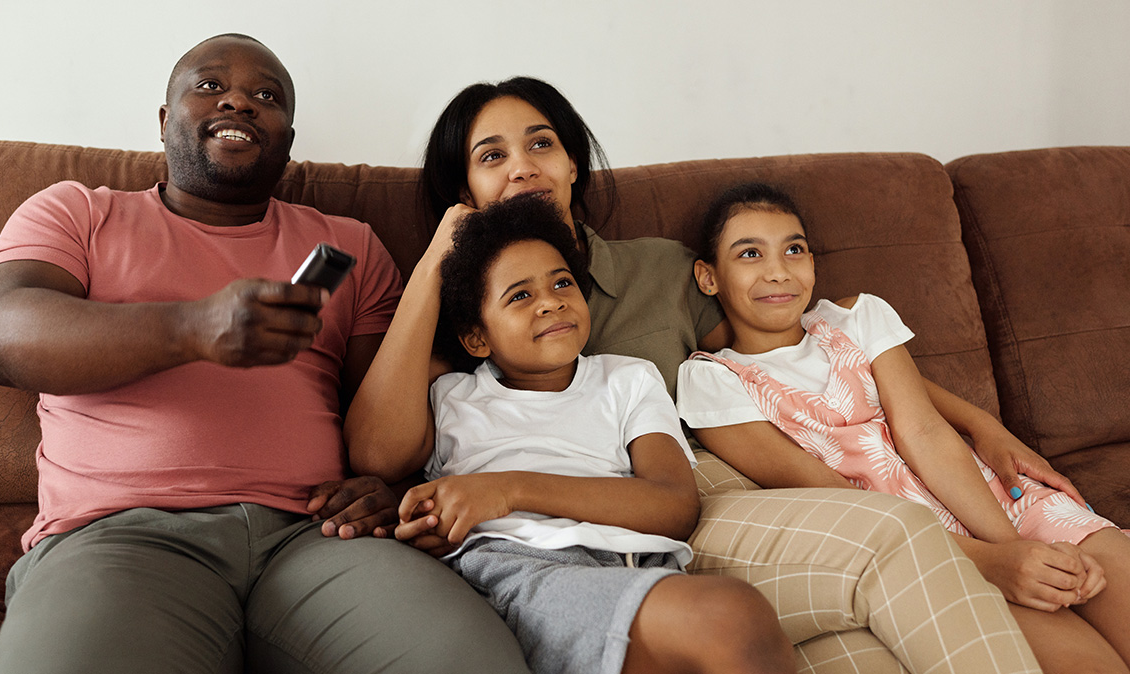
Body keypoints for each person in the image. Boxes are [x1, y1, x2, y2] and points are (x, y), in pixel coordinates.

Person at [345, 76, 1054, 673]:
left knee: (862, 636)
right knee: (881, 553)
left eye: (542, 144)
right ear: (464, 189)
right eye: (491, 155)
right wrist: (442, 256)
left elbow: (792, 346)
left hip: (708, 477)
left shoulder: (659, 269)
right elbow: (382, 452)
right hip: (657, 514)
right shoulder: (464, 324)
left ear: (572, 167)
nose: (523, 167)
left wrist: (976, 421)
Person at [0, 34, 529, 674]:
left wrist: (389, 485)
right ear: (163, 120)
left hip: (317, 537)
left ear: (287, 140)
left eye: (267, 97)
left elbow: (384, 421)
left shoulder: (348, 247)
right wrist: (194, 328)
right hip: (122, 535)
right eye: (209, 86)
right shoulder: (77, 213)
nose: (240, 102)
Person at [676, 182, 1130, 673]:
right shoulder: (712, 381)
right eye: (749, 253)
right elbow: (835, 500)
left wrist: (1016, 549)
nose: (778, 271)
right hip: (925, 555)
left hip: (999, 505)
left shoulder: (856, 317)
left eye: (794, 249)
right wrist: (995, 564)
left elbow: (926, 434)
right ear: (708, 277)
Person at [370, 194, 796, 673]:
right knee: (731, 616)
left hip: (639, 563)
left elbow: (675, 507)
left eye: (562, 283)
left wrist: (508, 489)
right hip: (521, 566)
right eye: (521, 295)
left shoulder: (628, 378)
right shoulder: (450, 396)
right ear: (477, 338)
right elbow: (379, 456)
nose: (551, 301)